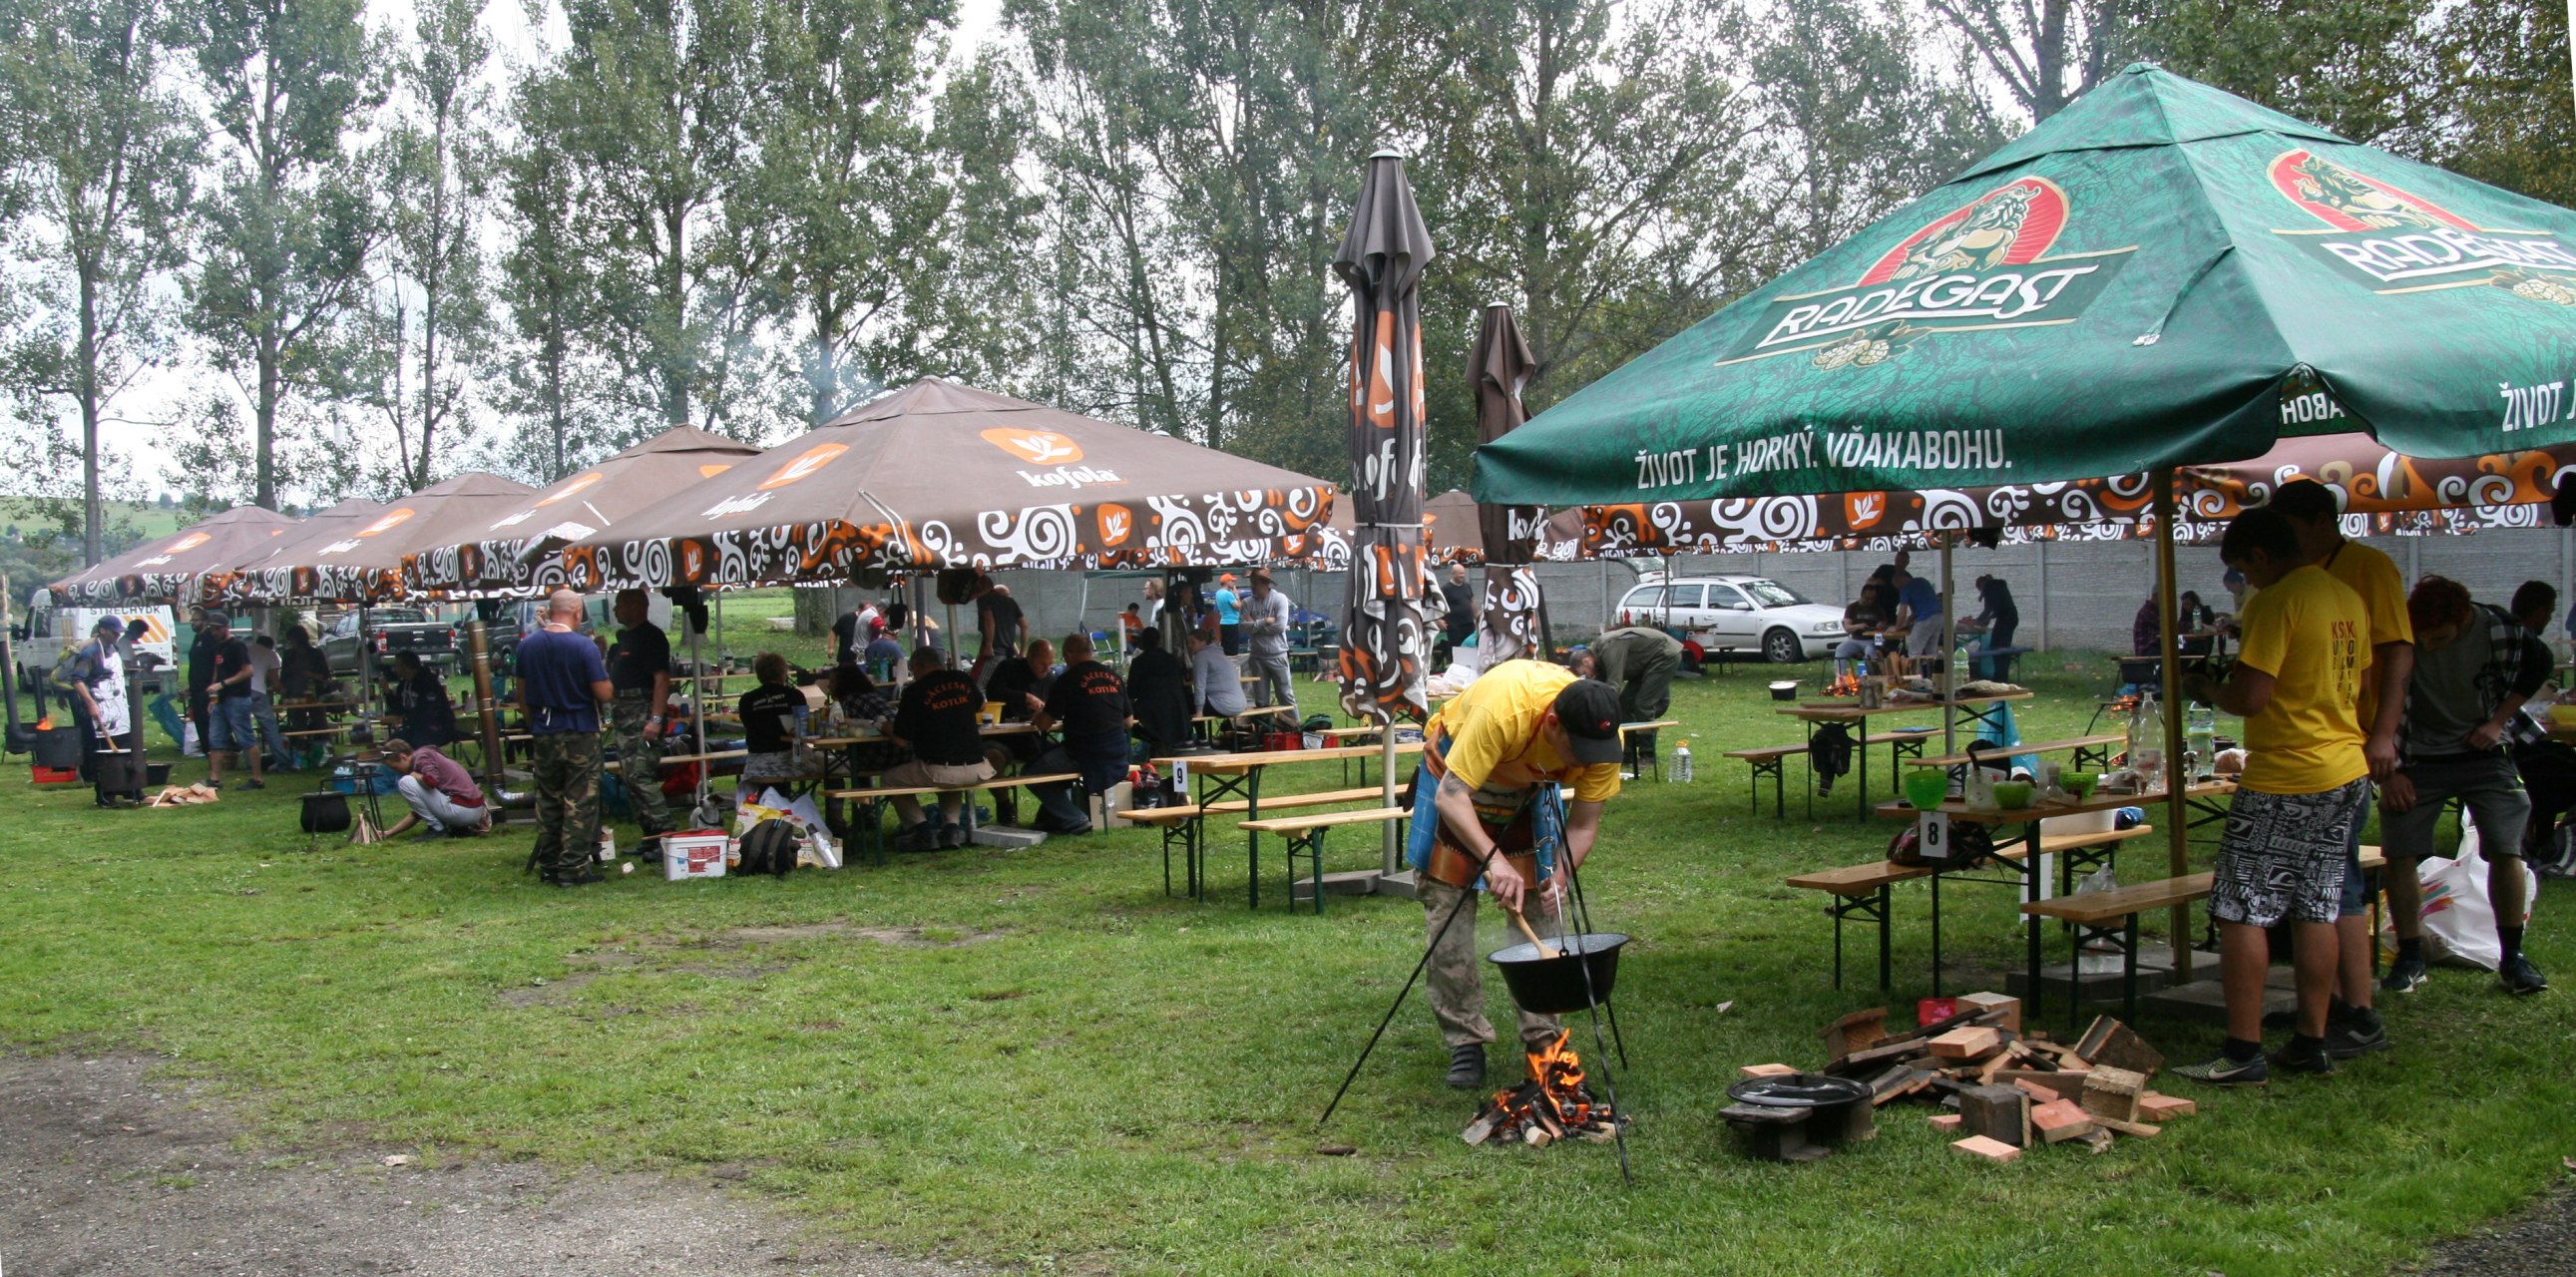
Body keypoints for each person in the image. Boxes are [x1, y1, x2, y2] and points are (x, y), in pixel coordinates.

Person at [2173, 508, 2371, 1085]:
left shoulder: (2275, 601)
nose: (2243, 582)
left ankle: (2243, 1050)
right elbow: (2353, 680)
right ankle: (2312, 1040)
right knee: (2316, 905)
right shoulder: (2345, 595)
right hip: (2345, 768)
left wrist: (2206, 686)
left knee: (2240, 909)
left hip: (2287, 774)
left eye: (2242, 569)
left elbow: (2251, 697)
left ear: (2260, 556)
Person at [1407, 659, 1624, 1088]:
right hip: (1454, 779)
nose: (1587, 760)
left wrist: (1560, 876)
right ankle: (1466, 1039)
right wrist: (1495, 861)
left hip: (1530, 788)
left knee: (1544, 914)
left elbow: (1584, 824)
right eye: (1578, 750)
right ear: (1553, 724)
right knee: (1449, 916)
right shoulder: (1503, 711)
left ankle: (1543, 1038)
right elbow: (1452, 796)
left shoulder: (1603, 740)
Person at [2270, 478, 2411, 1059]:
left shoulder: (2367, 569)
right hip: (2313, 747)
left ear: (2318, 522)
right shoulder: (2296, 577)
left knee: (2339, 885)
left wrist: (2384, 734)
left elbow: (2396, 652)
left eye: (2288, 530)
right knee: (2319, 887)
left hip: (2345, 749)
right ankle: (2325, 1004)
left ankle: (2358, 1010)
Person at [2376, 578, 2548, 996]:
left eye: (2439, 638)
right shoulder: (2400, 635)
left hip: (2483, 753)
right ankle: (2410, 957)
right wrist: (2391, 772)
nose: (2429, 646)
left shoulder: (2501, 630)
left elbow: (2540, 662)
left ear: (2463, 618)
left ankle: (2513, 958)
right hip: (2417, 757)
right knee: (2399, 853)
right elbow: (2373, 700)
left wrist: (2497, 721)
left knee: (2506, 849)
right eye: (2423, 638)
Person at [518, 589, 613, 887]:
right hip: (580, 730)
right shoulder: (584, 646)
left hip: (544, 728)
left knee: (548, 798)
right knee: (579, 799)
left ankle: (549, 865)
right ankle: (573, 867)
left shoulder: (527, 646)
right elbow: (603, 692)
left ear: (549, 610)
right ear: (578, 612)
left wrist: (535, 723)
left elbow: (521, 694)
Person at [884, 645, 994, 850]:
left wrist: (884, 727)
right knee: (950, 777)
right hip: (979, 767)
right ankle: (951, 829)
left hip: (941, 769)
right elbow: (981, 706)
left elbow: (900, 740)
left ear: (917, 666)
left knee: (889, 779)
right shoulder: (961, 678)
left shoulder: (914, 691)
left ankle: (922, 830)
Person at [1029, 633, 1131, 835]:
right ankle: (1053, 818)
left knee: (1031, 773)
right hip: (1118, 752)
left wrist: (1038, 714)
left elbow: (1044, 724)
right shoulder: (1114, 677)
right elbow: (1128, 722)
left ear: (1068, 654)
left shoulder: (1068, 679)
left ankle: (1074, 818)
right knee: (1055, 769)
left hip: (1084, 753)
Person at [603, 589, 675, 847]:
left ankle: (666, 832)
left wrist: (655, 719)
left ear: (636, 605)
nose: (616, 610)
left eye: (620, 605)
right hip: (623, 717)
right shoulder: (625, 638)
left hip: (641, 715)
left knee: (641, 775)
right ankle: (649, 834)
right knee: (629, 777)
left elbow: (661, 679)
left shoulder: (651, 637)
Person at [60, 618, 138, 806]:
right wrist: (90, 703)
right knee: (104, 754)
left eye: (119, 632)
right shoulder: (91, 651)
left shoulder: (113, 648)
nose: (117, 635)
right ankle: (105, 795)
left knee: (125, 747)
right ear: (102, 630)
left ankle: (130, 789)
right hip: (101, 707)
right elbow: (77, 680)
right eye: (114, 632)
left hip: (118, 705)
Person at [738, 652, 824, 786]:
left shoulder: (747, 699)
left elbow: (748, 724)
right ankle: (818, 798)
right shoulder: (795, 695)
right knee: (830, 767)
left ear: (759, 674)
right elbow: (804, 728)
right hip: (791, 757)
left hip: (756, 763)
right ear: (783, 672)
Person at [381, 737, 491, 839]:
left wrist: (415, 775)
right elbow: (420, 811)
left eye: (395, 767)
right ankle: (458, 828)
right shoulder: (428, 756)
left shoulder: (421, 757)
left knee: (405, 782)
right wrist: (389, 833)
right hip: (473, 811)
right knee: (409, 781)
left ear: (403, 757)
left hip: (462, 809)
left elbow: (432, 781)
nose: (396, 771)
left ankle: (437, 829)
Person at [204, 614, 264, 790]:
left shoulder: (237, 645)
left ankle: (257, 779)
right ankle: (215, 779)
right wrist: (213, 694)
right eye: (212, 629)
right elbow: (218, 670)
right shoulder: (218, 646)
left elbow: (248, 671)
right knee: (215, 739)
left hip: (238, 698)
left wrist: (223, 684)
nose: (214, 632)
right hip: (221, 700)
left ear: (226, 628)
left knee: (246, 738)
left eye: (217, 629)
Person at [1577, 626, 1682, 723]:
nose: (1588, 677)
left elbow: (1614, 686)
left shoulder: (1610, 648)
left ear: (1586, 661)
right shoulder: (1598, 652)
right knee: (1625, 704)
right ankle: (1628, 737)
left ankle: (1646, 736)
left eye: (1585, 673)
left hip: (1665, 655)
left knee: (1643, 705)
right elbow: (1600, 686)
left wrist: (1599, 712)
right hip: (1646, 662)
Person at [1123, 628, 1192, 760]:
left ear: (1142, 642)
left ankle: (1154, 740)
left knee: (1124, 717)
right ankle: (1161, 741)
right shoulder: (1172, 659)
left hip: (1149, 710)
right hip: (1177, 707)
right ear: (1159, 641)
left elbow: (1132, 692)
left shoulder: (1139, 662)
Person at [1242, 569, 1297, 711]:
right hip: (1257, 656)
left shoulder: (1280, 599)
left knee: (1286, 696)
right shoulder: (1247, 602)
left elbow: (1280, 627)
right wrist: (1264, 621)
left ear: (1266, 583)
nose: (1252, 586)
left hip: (1277, 654)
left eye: (1256, 583)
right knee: (1260, 700)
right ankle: (1265, 725)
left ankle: (1295, 724)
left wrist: (1254, 625)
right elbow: (1242, 627)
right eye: (1251, 583)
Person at [382, 651, 457, 750]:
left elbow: (430, 710)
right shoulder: (403, 685)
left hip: (436, 726)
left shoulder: (427, 682)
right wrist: (387, 692)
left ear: (406, 667)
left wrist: (407, 718)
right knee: (393, 743)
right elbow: (399, 709)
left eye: (397, 666)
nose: (394, 669)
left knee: (416, 742)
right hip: (414, 727)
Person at [248, 634, 289, 769]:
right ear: (271, 646)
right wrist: (284, 692)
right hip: (258, 692)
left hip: (240, 692)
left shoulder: (247, 650)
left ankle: (250, 763)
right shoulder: (271, 654)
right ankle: (282, 762)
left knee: (244, 728)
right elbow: (275, 681)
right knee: (270, 728)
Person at [1188, 628, 1247, 718]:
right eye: (1188, 643)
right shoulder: (1220, 654)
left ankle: (1197, 727)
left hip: (1223, 705)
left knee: (1183, 702)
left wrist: (1199, 711)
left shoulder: (1201, 656)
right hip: (1240, 704)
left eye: (1193, 642)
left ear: (1203, 642)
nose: (1189, 645)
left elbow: (1199, 686)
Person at [1970, 575, 2019, 679]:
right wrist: (1983, 619)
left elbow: (1988, 610)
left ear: (1981, 584)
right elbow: (1996, 607)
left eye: (1979, 589)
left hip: (2006, 619)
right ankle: (2001, 675)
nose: (1981, 592)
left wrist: (1978, 621)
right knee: (2002, 647)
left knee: (1998, 647)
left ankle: (2000, 676)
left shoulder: (1989, 588)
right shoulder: (1997, 586)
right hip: (2011, 617)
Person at [186, 608, 218, 756]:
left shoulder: (209, 638)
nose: (192, 623)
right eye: (191, 620)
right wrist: (189, 685)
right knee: (199, 719)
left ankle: (214, 749)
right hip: (196, 687)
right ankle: (206, 750)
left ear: (205, 621)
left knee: (208, 719)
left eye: (196, 620)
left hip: (207, 687)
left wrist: (213, 684)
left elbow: (215, 663)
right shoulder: (196, 638)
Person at [1892, 566, 1942, 661]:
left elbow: (1902, 612)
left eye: (1898, 587)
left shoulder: (1905, 588)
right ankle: (1933, 670)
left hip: (1925, 619)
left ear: (1900, 581)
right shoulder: (1923, 581)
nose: (1899, 589)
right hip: (1938, 617)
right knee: (1931, 651)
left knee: (1914, 652)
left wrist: (1897, 628)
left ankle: (1915, 671)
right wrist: (1907, 622)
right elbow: (1917, 609)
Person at [976, 576, 1027, 660]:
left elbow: (989, 621)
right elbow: (1024, 626)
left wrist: (988, 646)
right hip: (1008, 654)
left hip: (993, 652)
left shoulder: (984, 599)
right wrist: (1021, 652)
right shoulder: (1010, 602)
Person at [1438, 564, 1476, 666]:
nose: (1462, 575)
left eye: (1463, 573)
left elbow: (1472, 601)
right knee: (1456, 650)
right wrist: (1439, 620)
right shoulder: (1445, 589)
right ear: (1453, 574)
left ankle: (1470, 668)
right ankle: (1455, 668)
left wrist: (1476, 617)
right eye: (1460, 573)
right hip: (1454, 626)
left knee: (1471, 649)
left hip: (1469, 624)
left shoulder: (1467, 586)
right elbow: (1438, 605)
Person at [831, 597, 881, 667]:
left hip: (863, 656)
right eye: (866, 611)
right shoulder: (846, 618)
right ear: (859, 610)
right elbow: (834, 631)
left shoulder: (871, 620)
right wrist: (831, 648)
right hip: (846, 658)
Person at [864, 618, 906, 683]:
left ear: (883, 633)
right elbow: (902, 668)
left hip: (872, 683)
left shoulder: (871, 645)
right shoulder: (895, 647)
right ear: (896, 635)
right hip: (888, 684)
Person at [2177, 591, 2218, 657]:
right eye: (2184, 604)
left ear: (2194, 603)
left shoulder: (2205, 611)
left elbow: (2207, 631)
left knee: (2181, 650)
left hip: (2202, 644)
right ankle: (2179, 651)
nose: (2185, 607)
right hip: (2188, 642)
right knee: (2178, 641)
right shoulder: (2185, 614)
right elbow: (2179, 628)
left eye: (2187, 604)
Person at [1213, 573, 1243, 654]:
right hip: (1232, 623)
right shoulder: (1228, 594)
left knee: (1225, 647)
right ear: (1227, 582)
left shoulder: (1218, 593)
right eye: (1232, 581)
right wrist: (1237, 595)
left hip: (1223, 622)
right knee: (1233, 649)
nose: (1233, 583)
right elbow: (1239, 607)